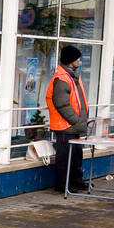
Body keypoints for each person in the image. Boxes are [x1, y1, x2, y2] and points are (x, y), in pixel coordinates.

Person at [46, 46, 90, 193]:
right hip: (65, 126)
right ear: (71, 60)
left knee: (76, 156)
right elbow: (62, 104)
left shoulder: (71, 76)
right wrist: (76, 121)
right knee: (65, 158)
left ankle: (76, 181)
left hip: (72, 126)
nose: (79, 60)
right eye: (77, 58)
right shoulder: (62, 79)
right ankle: (63, 185)